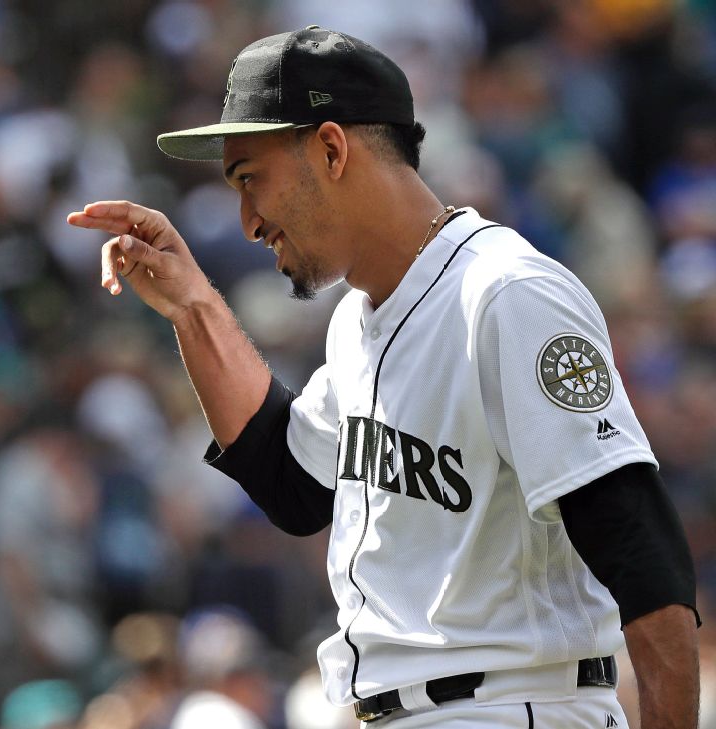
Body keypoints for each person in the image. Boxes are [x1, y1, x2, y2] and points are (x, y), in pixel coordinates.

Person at [68, 26, 698, 728]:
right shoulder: (359, 317)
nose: (247, 221)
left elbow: (644, 556)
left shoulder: (504, 293)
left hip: (507, 706)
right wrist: (192, 304)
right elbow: (293, 483)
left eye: (252, 179)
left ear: (332, 149)